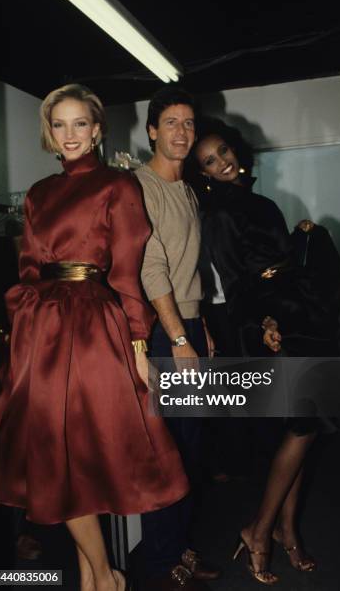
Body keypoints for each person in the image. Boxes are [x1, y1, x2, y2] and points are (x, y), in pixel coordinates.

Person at [0, 84, 189, 591]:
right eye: (60, 125)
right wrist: (25, 327)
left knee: (84, 453)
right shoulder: (37, 193)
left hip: (96, 326)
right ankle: (97, 578)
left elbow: (127, 271)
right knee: (58, 455)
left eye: (80, 123)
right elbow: (30, 266)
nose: (70, 134)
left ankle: (103, 576)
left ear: (98, 130)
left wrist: (140, 345)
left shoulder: (119, 187)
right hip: (42, 329)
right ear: (49, 134)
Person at [192, 120, 340, 585]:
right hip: (266, 322)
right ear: (204, 174)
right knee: (301, 426)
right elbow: (238, 280)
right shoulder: (220, 211)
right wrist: (267, 322)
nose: (223, 163)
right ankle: (259, 530)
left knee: (303, 427)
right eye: (210, 162)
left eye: (223, 152)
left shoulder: (260, 201)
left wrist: (302, 240)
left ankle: (284, 529)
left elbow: (275, 263)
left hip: (294, 313)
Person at [135, 87, 219, 591]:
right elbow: (152, 267)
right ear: (151, 131)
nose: (182, 132)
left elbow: (190, 267)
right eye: (171, 122)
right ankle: (163, 564)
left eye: (188, 123)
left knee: (191, 448)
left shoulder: (187, 189)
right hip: (166, 335)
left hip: (188, 326)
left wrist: (199, 323)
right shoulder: (140, 187)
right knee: (168, 453)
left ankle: (178, 547)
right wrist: (179, 337)